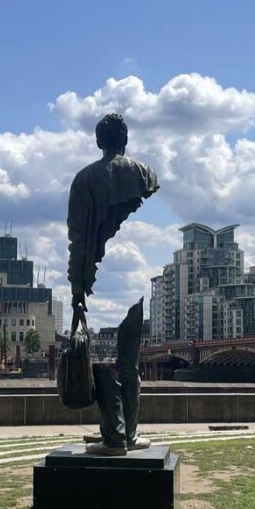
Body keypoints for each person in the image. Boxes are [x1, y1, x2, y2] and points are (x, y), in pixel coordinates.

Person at [66, 113, 160, 456]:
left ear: (97, 141)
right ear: (126, 138)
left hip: (96, 283)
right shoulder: (145, 174)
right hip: (139, 288)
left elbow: (78, 238)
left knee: (101, 364)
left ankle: (115, 433)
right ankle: (126, 432)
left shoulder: (83, 180)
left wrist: (78, 290)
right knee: (129, 363)